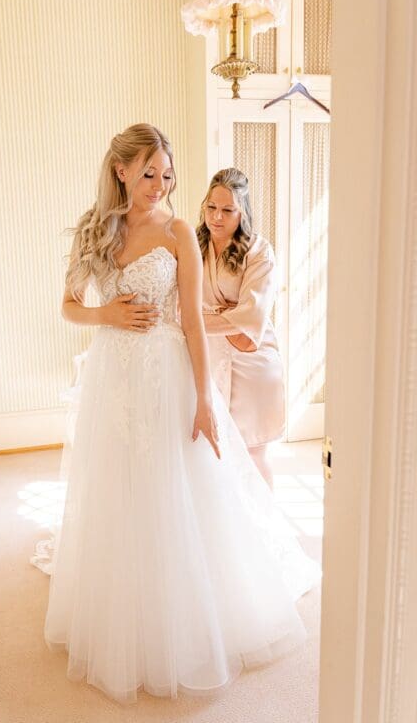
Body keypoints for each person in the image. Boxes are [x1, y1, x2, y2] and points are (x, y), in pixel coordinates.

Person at [43, 124, 320, 703]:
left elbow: (192, 321)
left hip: (167, 374)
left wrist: (203, 399)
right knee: (118, 489)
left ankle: (190, 615)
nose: (160, 186)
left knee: (179, 490)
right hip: (112, 377)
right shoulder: (95, 229)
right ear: (120, 170)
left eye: (167, 176)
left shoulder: (177, 234)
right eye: (149, 174)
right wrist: (107, 317)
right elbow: (69, 307)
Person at [198, 168, 285, 487]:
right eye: (211, 207)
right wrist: (221, 318)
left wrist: (197, 322)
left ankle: (265, 530)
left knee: (252, 452)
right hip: (208, 357)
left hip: (252, 361)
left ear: (243, 212)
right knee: (212, 451)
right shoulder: (194, 245)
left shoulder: (259, 251)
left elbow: (252, 318)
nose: (216, 217)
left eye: (227, 210)